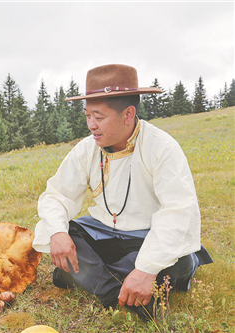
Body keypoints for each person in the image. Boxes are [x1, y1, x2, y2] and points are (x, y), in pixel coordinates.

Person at [32, 64, 212, 321]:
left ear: (128, 114)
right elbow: (57, 195)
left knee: (180, 258)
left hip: (148, 237)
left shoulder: (162, 149)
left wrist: (147, 269)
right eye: (87, 116)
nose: (91, 125)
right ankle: (114, 293)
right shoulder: (86, 149)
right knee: (58, 232)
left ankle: (94, 276)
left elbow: (177, 213)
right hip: (104, 233)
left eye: (98, 116)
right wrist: (59, 233)